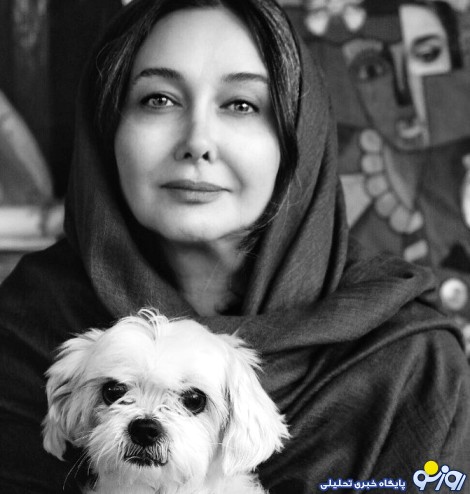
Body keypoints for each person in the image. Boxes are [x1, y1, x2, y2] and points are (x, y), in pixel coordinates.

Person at [0, 0, 469, 492]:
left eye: (241, 104)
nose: (198, 141)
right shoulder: (25, 326)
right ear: (107, 129)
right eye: (158, 99)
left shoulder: (414, 368)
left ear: (298, 136)